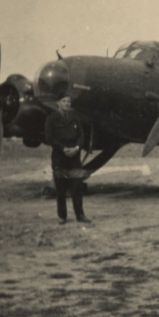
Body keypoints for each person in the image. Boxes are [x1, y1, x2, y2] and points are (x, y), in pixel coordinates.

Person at [44, 94, 91, 224]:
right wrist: (63, 148)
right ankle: (62, 216)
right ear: (58, 103)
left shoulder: (76, 118)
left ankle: (80, 215)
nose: (66, 103)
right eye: (64, 101)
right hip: (60, 156)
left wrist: (77, 147)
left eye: (69, 101)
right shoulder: (51, 118)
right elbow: (49, 138)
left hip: (75, 156)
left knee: (77, 186)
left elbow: (81, 135)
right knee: (61, 188)